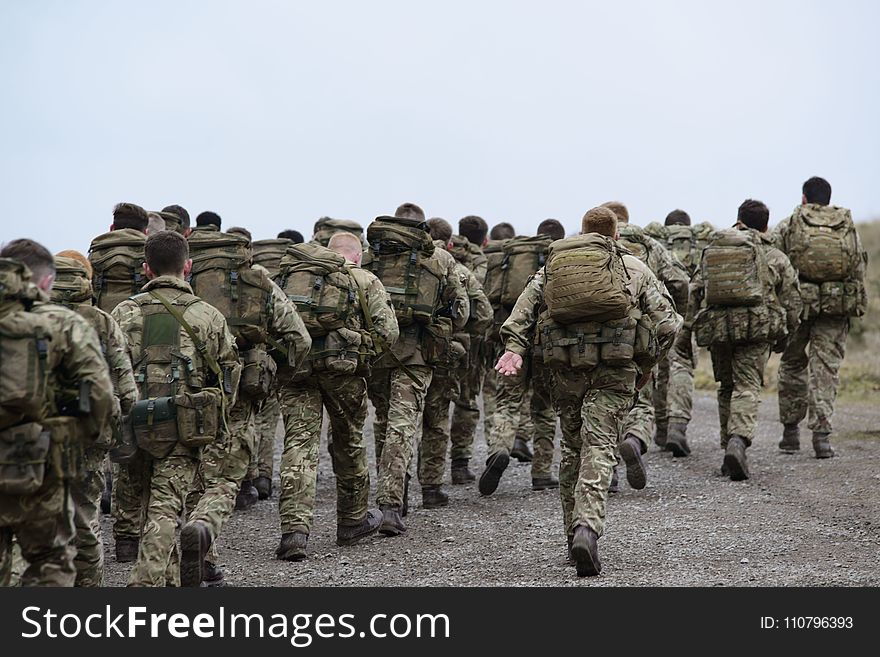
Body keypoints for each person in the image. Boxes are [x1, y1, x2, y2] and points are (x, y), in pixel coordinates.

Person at [495, 207, 680, 576]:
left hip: (565, 372)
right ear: (615, 235)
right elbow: (668, 325)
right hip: (614, 371)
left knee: (573, 449)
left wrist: (513, 350)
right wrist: (646, 367)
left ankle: (570, 537)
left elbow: (521, 315)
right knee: (600, 447)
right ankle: (587, 528)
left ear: (582, 233)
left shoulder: (553, 268)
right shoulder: (633, 267)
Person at [112, 231, 241, 586]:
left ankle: (166, 578)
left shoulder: (123, 312)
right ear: (188, 266)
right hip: (183, 427)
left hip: (132, 423)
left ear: (146, 269)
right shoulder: (208, 315)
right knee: (166, 507)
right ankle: (148, 583)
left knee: (143, 505)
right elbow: (229, 374)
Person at [182, 225, 310, 585]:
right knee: (227, 476)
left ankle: (204, 560)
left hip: (185, 392)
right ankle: (204, 528)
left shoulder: (180, 282)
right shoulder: (259, 283)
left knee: (195, 472)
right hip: (240, 389)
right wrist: (275, 374)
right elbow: (298, 339)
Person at [274, 232, 398, 560]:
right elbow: (389, 332)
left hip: (296, 372)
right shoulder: (363, 278)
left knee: (299, 444)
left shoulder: (291, 278)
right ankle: (352, 520)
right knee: (348, 441)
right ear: (356, 255)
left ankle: (294, 533)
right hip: (344, 375)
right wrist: (359, 349)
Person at [0, 240, 114, 586]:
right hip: (39, 459)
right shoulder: (65, 324)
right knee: (50, 559)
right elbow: (100, 394)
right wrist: (74, 439)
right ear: (47, 282)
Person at [363, 203, 469, 536]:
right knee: (403, 425)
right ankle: (392, 505)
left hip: (377, 351)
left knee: (384, 419)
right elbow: (462, 310)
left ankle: (394, 494)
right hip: (419, 354)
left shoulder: (368, 258)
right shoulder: (438, 259)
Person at [688, 200, 801, 480]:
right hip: (756, 331)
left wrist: (689, 326)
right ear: (765, 225)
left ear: (737, 219)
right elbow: (793, 300)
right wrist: (787, 331)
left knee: (726, 387)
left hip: (719, 330)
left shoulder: (714, 251)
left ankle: (728, 449)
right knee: (747, 386)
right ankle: (739, 441)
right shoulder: (774, 255)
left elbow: (696, 289)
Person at [50, 252, 138, 587]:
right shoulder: (101, 320)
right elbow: (128, 389)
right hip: (89, 430)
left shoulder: (24, 317)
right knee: (86, 514)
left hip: (33, 432)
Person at [774, 177, 868, 458]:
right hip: (836, 308)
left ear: (804, 198)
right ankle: (822, 437)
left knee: (792, 364)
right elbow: (858, 265)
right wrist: (855, 301)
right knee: (825, 368)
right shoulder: (845, 223)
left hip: (798, 305)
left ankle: (790, 433)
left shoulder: (792, 221)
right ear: (829, 198)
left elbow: (775, 258)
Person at [601, 201, 688, 489]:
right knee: (641, 395)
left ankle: (608, 472)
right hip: (640, 335)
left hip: (596, 336)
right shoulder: (648, 243)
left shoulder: (587, 244)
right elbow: (679, 280)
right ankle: (635, 438)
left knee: (602, 401)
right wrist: (677, 314)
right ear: (625, 220)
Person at [479, 219, 564, 495]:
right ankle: (541, 472)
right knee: (545, 410)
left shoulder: (512, 259)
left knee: (506, 403)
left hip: (512, 345)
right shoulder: (560, 264)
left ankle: (499, 450)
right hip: (548, 349)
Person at [419, 219, 491, 507]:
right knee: (458, 405)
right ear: (449, 242)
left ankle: (404, 482)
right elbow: (483, 314)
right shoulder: (458, 269)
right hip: (451, 351)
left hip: (406, 351)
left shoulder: (405, 265)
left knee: (411, 414)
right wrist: (460, 334)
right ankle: (452, 470)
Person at [644, 211, 715, 453]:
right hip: (686, 314)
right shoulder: (699, 242)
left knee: (659, 370)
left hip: (655, 314)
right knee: (682, 366)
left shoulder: (655, 242)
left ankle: (662, 429)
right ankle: (678, 425)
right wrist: (685, 316)